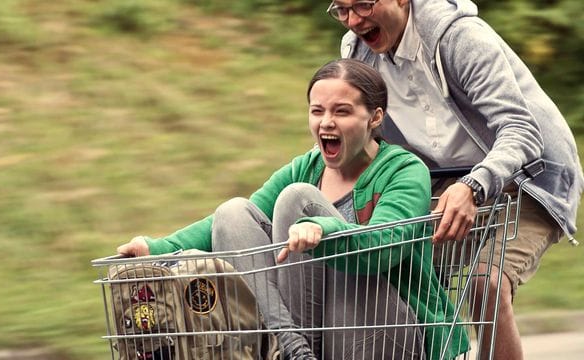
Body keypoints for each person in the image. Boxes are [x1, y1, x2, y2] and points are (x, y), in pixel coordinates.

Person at [118, 59, 469, 359]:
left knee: (295, 199)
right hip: (310, 332)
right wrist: (156, 248)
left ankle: (289, 347)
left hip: (384, 328)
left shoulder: (404, 170)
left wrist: (323, 229)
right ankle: (292, 347)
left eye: (341, 111)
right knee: (232, 212)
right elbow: (230, 228)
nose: (326, 122)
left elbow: (384, 247)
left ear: (375, 118)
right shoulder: (308, 165)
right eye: (317, 111)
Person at [325, 0, 584, 359]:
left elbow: (520, 130)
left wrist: (473, 186)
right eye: (342, 9)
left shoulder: (459, 37)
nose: (353, 21)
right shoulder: (359, 56)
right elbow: (363, 139)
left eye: (364, 5)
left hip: (529, 178)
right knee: (397, 274)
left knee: (485, 285)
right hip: (445, 182)